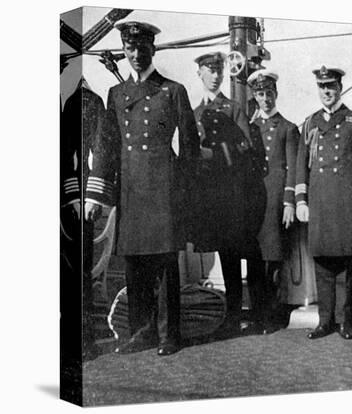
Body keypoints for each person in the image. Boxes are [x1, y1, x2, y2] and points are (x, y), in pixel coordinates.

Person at [84, 21, 200, 356]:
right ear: (124, 49)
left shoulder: (173, 90)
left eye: (142, 48)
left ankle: (169, 334)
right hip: (131, 190)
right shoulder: (116, 95)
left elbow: (190, 147)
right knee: (135, 263)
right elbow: (106, 146)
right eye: (129, 48)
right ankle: (141, 332)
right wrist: (96, 193)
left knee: (164, 263)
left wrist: (184, 191)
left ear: (153, 49)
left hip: (164, 190)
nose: (135, 54)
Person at [192, 52, 269, 335]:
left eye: (218, 70)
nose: (215, 75)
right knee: (227, 256)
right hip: (211, 198)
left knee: (247, 253)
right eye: (209, 70)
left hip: (236, 195)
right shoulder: (195, 113)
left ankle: (260, 316)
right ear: (199, 74)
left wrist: (211, 153)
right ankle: (233, 316)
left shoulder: (234, 108)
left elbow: (245, 149)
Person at [296, 66, 352, 340]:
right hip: (320, 202)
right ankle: (325, 320)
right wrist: (301, 199)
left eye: (331, 86)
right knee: (322, 263)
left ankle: (346, 319)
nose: (326, 91)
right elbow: (301, 165)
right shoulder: (310, 123)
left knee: (345, 265)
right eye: (322, 86)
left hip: (344, 201)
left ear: (340, 87)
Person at [247, 69, 299, 331]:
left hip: (277, 201)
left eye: (269, 93)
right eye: (260, 93)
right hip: (255, 202)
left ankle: (272, 314)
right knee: (255, 260)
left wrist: (289, 202)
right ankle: (257, 314)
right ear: (254, 97)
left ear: (276, 94)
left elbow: (293, 167)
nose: (265, 98)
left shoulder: (288, 128)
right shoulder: (250, 128)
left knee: (274, 260)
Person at [61, 79, 105, 361]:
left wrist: (81, 196)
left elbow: (96, 151)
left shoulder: (86, 101)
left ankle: (79, 339)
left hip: (71, 200)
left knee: (75, 271)